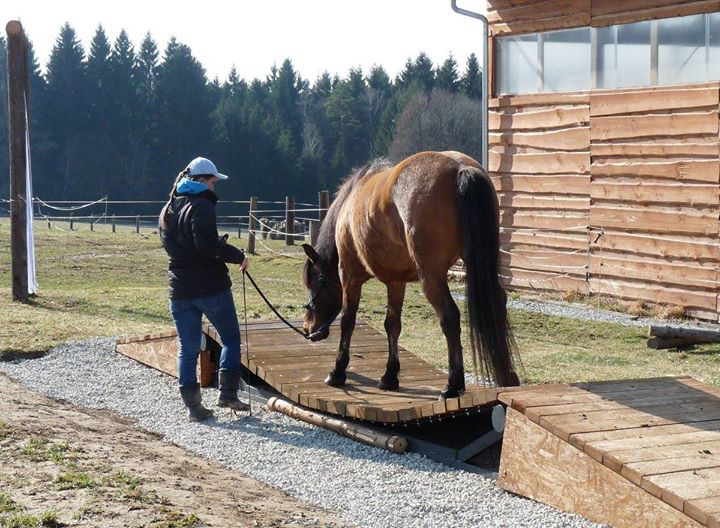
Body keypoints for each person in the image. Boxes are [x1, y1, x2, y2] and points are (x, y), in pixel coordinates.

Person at [159, 156, 250, 422]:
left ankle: (193, 408)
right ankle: (228, 394)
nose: (214, 187)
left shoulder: (168, 208)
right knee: (231, 338)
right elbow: (207, 246)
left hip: (179, 289)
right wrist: (237, 255)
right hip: (210, 287)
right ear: (200, 181)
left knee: (187, 349)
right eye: (212, 181)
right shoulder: (201, 207)